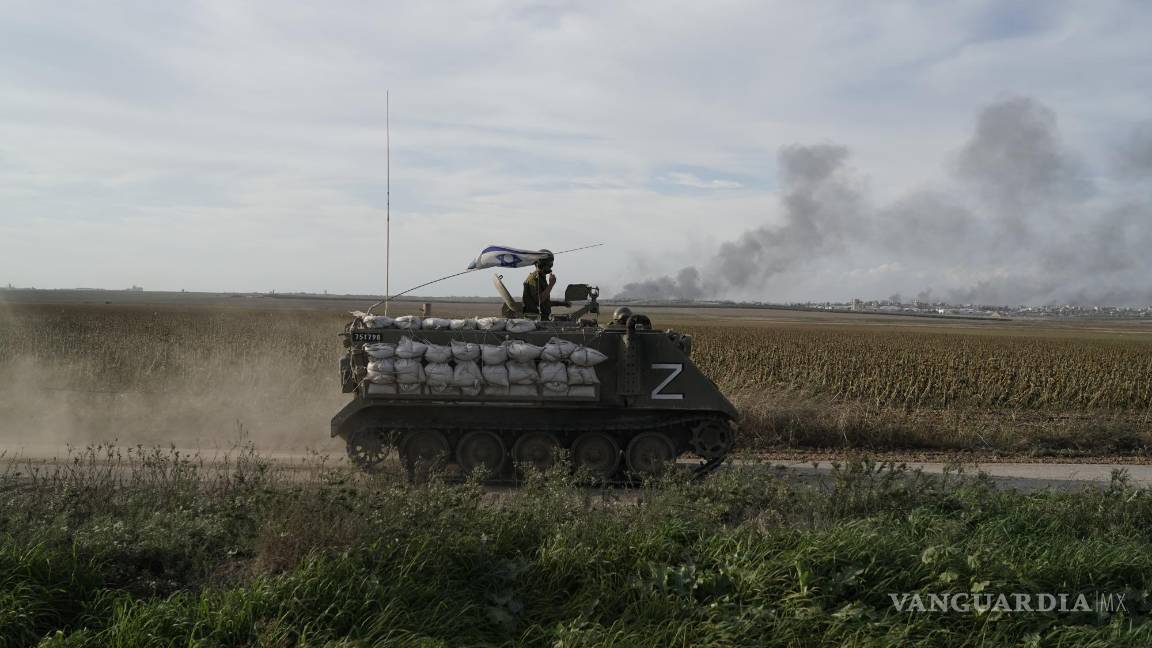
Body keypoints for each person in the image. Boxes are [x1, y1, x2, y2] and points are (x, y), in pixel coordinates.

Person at [522, 252, 563, 320]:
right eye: (549, 264)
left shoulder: (541, 278)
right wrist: (551, 285)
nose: (550, 267)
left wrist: (562, 304)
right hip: (534, 319)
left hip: (542, 318)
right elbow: (539, 300)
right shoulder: (534, 278)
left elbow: (545, 302)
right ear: (542, 265)